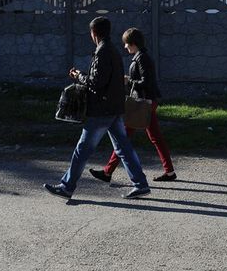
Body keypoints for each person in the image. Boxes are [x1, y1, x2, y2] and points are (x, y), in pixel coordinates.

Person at [43, 17, 150, 200]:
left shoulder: (102, 52)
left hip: (102, 110)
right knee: (123, 147)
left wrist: (79, 76)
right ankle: (141, 184)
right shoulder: (113, 50)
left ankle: (67, 186)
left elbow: (96, 83)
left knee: (83, 149)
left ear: (94, 33)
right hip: (114, 108)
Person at [89, 27, 177, 183]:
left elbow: (147, 82)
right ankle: (169, 171)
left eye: (126, 43)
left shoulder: (142, 58)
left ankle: (108, 172)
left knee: (123, 138)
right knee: (152, 137)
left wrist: (128, 80)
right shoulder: (141, 57)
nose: (124, 47)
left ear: (133, 43)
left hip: (143, 103)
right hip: (146, 102)